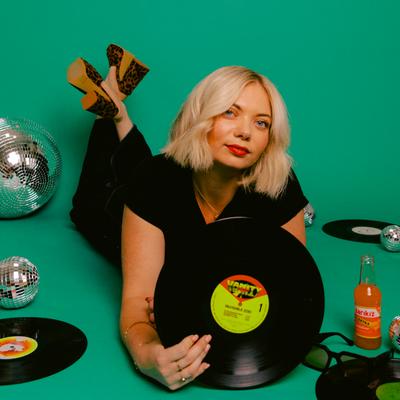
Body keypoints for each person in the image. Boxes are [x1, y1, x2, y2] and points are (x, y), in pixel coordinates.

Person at [68, 44, 308, 391]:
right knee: (90, 204)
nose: (245, 132)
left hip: (160, 191)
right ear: (201, 116)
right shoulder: (155, 181)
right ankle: (112, 111)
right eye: (230, 112)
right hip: (119, 218)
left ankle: (116, 103)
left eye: (261, 123)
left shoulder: (279, 185)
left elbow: (296, 292)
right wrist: (148, 355)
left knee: (145, 169)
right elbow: (136, 304)